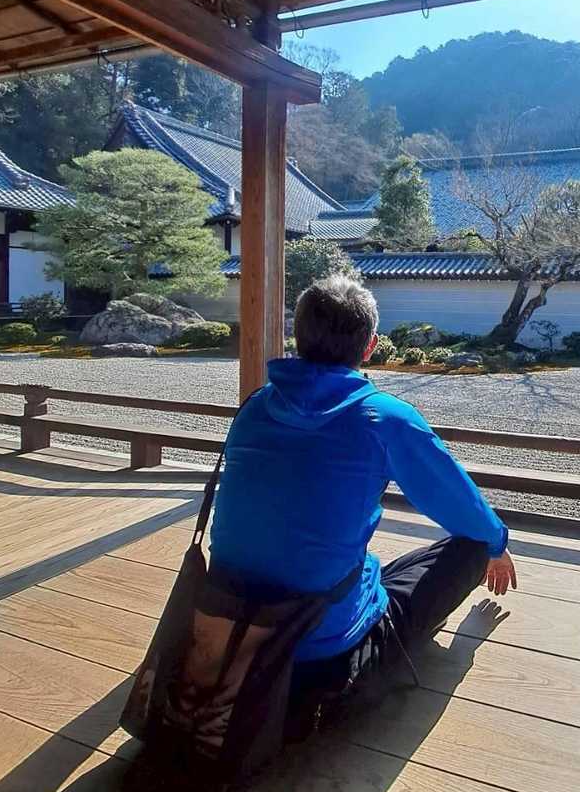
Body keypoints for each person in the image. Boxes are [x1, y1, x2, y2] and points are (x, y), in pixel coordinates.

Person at [209, 274, 516, 732]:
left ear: (298, 338)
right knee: (472, 544)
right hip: (320, 651)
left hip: (226, 627)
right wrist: (496, 543)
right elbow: (457, 502)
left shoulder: (255, 405)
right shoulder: (384, 417)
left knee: (361, 565)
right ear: (370, 345)